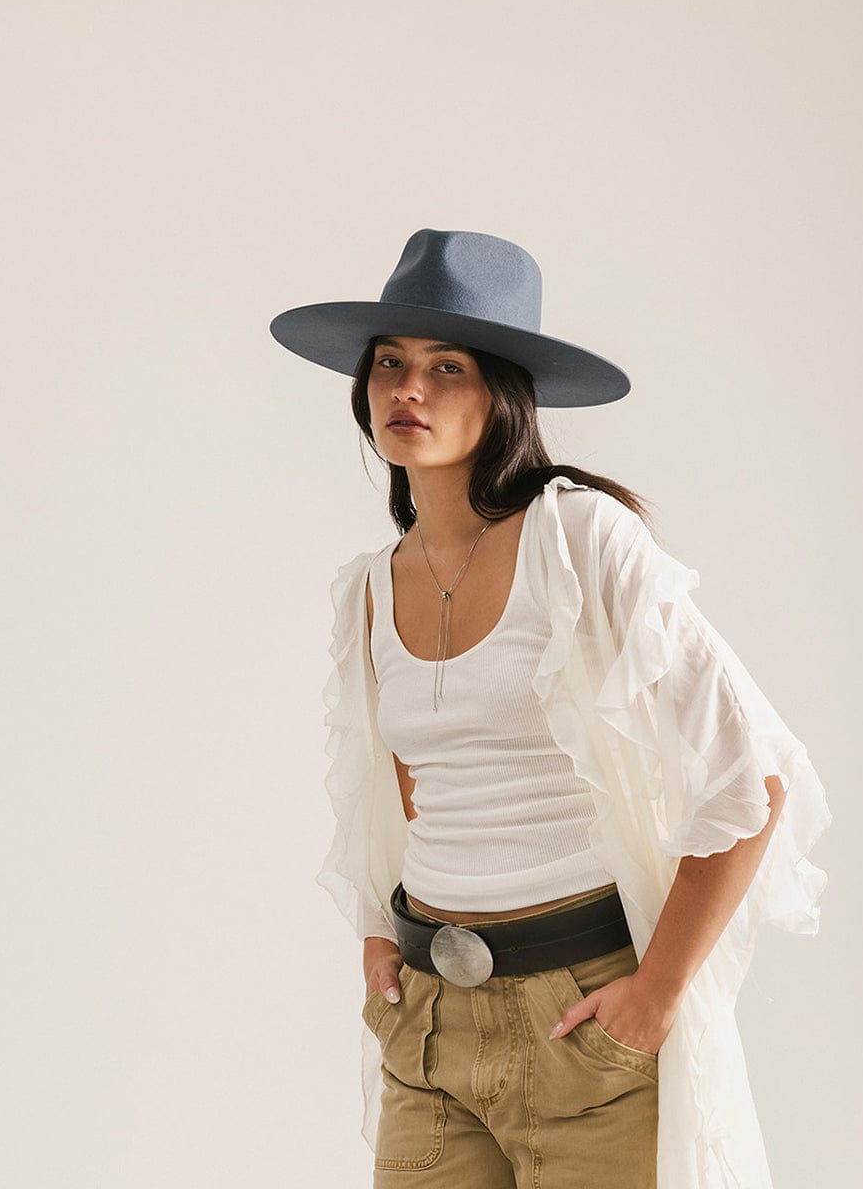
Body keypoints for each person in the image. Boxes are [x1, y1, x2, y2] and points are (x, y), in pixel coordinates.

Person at [269, 229, 832, 1188]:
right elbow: (397, 780)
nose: (410, 389)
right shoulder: (369, 588)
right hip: (431, 1026)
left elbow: (751, 780)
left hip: (581, 1019)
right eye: (391, 365)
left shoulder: (578, 539)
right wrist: (377, 935)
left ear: (503, 396)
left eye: (446, 367)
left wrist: (654, 996)